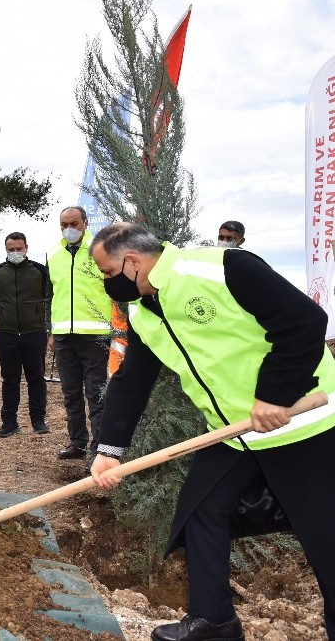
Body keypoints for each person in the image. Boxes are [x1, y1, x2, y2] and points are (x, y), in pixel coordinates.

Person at [89, 222, 335, 641]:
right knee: (202, 510)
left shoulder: (224, 268)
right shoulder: (144, 310)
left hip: (302, 425)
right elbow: (132, 380)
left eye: (108, 272)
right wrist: (109, 449)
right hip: (232, 435)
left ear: (132, 262)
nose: (107, 282)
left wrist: (275, 394)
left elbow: (304, 321)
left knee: (325, 538)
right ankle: (214, 621)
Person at [46, 205, 112, 460]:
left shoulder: (100, 249)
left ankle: (99, 448)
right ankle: (78, 442)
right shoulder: (53, 253)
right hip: (64, 335)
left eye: (74, 223)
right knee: (70, 393)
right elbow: (50, 295)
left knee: (96, 394)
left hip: (95, 335)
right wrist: (51, 330)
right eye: (64, 224)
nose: (69, 228)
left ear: (85, 223)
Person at [0, 232, 51, 437]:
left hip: (35, 332)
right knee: (10, 379)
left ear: (26, 248)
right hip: (6, 333)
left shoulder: (40, 271)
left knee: (36, 378)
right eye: (11, 249)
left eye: (19, 249)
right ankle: (9, 422)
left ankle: (38, 421)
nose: (15, 252)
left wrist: (50, 327)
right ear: (6, 249)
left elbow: (51, 299)